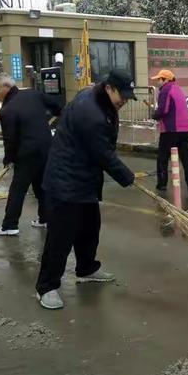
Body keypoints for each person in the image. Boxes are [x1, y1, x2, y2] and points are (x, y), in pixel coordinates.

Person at [35, 71, 136, 310]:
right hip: (65, 182)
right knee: (61, 237)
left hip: (84, 179)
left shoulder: (100, 100)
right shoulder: (90, 113)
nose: (124, 100)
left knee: (90, 227)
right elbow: (102, 153)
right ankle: (46, 286)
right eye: (122, 95)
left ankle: (86, 268)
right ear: (109, 88)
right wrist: (127, 177)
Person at [0, 74, 61, 236]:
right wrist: (50, 117)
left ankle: (9, 226)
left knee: (18, 189)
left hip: (27, 154)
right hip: (46, 148)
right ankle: (46, 218)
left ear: (7, 88)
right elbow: (57, 106)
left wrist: (9, 158)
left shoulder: (7, 111)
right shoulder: (33, 94)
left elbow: (10, 139)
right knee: (41, 185)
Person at [151, 69, 188, 191]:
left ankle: (162, 184)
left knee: (162, 158)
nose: (157, 82)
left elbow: (163, 109)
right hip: (185, 130)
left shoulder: (165, 90)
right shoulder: (178, 89)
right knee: (186, 158)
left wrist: (154, 115)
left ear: (165, 80)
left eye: (159, 79)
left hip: (171, 130)